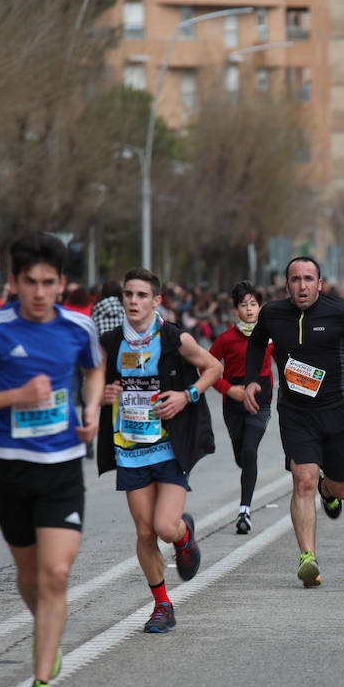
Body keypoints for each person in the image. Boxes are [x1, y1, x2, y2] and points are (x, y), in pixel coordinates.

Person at [0, 233, 103, 687]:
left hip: (61, 465)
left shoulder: (79, 327)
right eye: (29, 283)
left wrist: (90, 409)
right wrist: (16, 394)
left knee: (55, 575)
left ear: (62, 284)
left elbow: (95, 368)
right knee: (28, 576)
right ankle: (48, 636)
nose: (39, 292)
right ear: (14, 282)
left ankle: (40, 685)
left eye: (49, 283)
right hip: (9, 465)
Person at [243, 256, 344, 587]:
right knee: (303, 480)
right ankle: (308, 557)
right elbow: (255, 345)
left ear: (320, 284)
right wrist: (252, 379)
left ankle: (329, 490)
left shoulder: (341, 313)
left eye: (309, 279)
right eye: (296, 279)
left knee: (341, 488)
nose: (302, 285)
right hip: (295, 414)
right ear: (286, 285)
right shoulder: (273, 314)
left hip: (335, 412)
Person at [97, 269, 220, 634]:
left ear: (156, 300)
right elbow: (87, 384)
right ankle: (163, 606)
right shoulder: (109, 342)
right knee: (145, 533)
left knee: (165, 526)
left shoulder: (173, 338)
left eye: (141, 295)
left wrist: (187, 395)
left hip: (168, 448)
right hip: (129, 450)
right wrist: (100, 395)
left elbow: (214, 367)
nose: (134, 301)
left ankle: (183, 536)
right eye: (128, 294)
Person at [210, 281, 275, 534]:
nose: (249, 309)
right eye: (244, 305)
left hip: (261, 400)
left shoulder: (269, 336)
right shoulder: (226, 338)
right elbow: (207, 368)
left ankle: (244, 511)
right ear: (235, 309)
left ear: (260, 307)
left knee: (249, 452)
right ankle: (246, 467)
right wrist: (228, 389)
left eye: (253, 304)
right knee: (242, 455)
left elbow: (288, 362)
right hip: (233, 403)